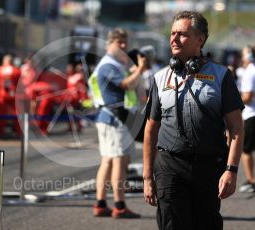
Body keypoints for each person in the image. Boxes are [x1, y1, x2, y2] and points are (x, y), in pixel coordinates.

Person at [143, 11, 244, 230]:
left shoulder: (221, 75)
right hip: (169, 165)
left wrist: (231, 171)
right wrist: (147, 177)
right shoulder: (160, 78)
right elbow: (151, 129)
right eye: (172, 34)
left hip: (208, 166)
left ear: (200, 39)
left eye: (182, 34)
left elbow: (236, 128)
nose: (174, 39)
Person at [91, 28, 146, 218]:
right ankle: (119, 206)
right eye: (119, 42)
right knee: (119, 163)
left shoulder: (112, 63)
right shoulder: (108, 65)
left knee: (107, 161)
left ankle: (100, 203)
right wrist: (140, 68)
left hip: (110, 117)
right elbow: (126, 84)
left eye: (125, 42)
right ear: (109, 43)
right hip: (114, 119)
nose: (123, 46)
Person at [238, 45, 255, 193]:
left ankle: (251, 180)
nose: (242, 58)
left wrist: (235, 100)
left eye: (244, 55)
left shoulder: (250, 71)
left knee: (246, 150)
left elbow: (248, 97)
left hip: (251, 114)